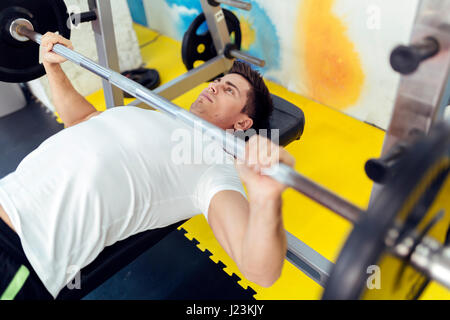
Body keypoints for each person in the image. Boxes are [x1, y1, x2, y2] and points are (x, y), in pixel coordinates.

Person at [0, 32, 295, 299]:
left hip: (22, 252)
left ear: (242, 123)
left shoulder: (213, 167)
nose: (215, 87)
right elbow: (82, 121)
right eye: (218, 81)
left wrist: (265, 199)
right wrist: (53, 68)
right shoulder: (156, 114)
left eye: (229, 90)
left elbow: (260, 272)